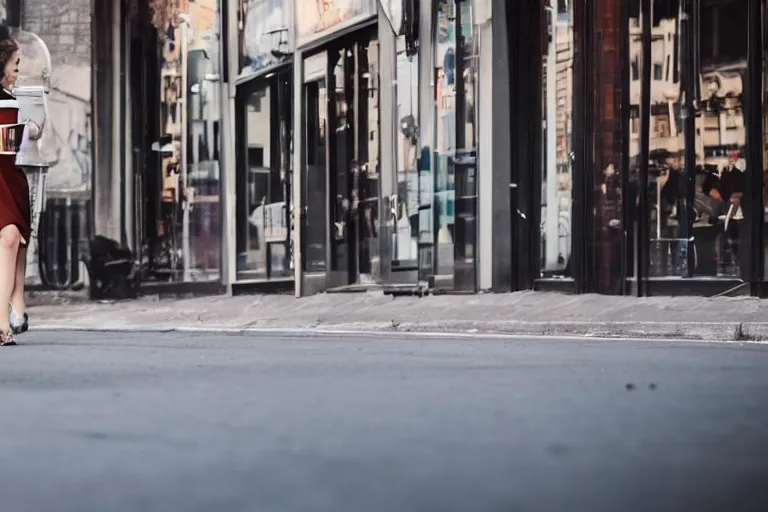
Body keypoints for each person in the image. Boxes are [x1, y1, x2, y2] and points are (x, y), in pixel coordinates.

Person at [0, 25, 29, 346]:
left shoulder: (12, 101)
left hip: (8, 178)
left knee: (10, 238)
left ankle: (4, 318)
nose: (17, 71)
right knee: (9, 238)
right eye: (15, 64)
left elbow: (11, 149)